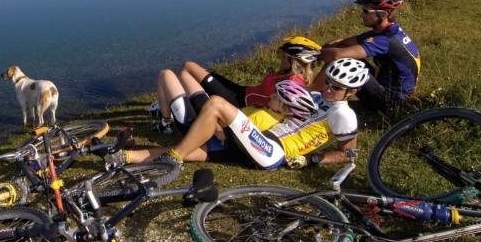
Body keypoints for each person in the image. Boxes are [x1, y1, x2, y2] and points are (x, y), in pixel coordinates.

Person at [115, 60, 367, 170]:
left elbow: (349, 153)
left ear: (352, 91)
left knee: (215, 104)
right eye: (328, 82)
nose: (328, 88)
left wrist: (313, 160)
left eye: (336, 87)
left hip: (273, 152)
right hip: (259, 142)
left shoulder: (344, 115)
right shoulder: (317, 98)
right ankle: (123, 156)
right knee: (197, 150)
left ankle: (174, 158)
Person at [149, 36, 321, 129]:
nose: (281, 59)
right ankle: (173, 105)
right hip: (240, 91)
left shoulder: (291, 83)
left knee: (188, 67)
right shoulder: (287, 74)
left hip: (237, 101)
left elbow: (286, 108)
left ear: (294, 60)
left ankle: (168, 115)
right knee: (194, 73)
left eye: (285, 57)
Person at [316, 0, 420, 112]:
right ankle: (317, 94)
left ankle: (311, 97)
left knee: (341, 60)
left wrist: (314, 55)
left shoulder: (385, 40)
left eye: (366, 11)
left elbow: (338, 55)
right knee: (346, 55)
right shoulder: (386, 31)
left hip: (392, 103)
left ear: (383, 15)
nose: (362, 14)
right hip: (387, 89)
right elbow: (344, 42)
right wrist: (320, 48)